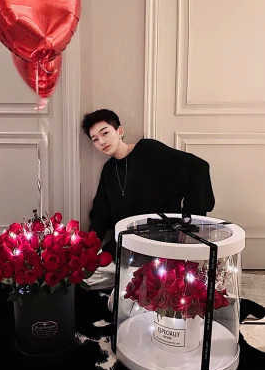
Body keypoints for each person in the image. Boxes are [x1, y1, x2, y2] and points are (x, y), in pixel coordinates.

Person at [82, 109, 215, 262]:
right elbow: (100, 213)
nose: (101, 142)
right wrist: (89, 248)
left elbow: (198, 167)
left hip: (161, 244)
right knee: (92, 273)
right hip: (126, 245)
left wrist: (189, 221)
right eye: (95, 139)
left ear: (120, 131)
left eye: (105, 133)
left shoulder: (148, 150)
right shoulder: (109, 170)